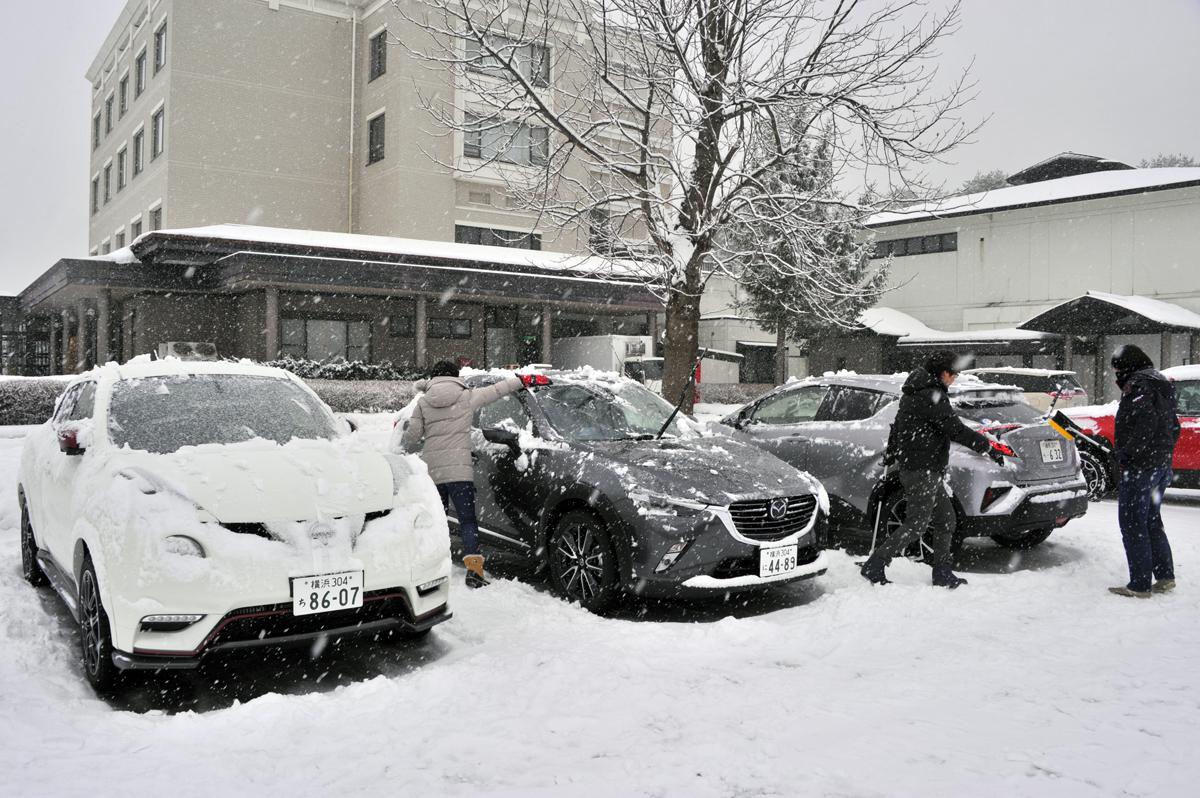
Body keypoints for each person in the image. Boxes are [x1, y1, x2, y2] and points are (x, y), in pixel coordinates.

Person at [861, 351, 1013, 589]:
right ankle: (876, 563)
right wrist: (988, 448)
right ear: (942, 372)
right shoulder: (930, 395)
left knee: (945, 519)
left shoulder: (915, 392)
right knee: (917, 524)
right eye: (953, 373)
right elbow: (955, 429)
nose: (954, 378)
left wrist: (893, 451)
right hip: (922, 469)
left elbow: (898, 425)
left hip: (924, 468)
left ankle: (941, 571)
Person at [401, 361, 550, 588]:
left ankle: (431, 571)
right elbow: (498, 390)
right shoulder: (467, 397)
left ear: (433, 378)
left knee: (436, 523)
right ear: (455, 377)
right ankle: (474, 571)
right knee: (467, 521)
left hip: (432, 472)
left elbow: (412, 436)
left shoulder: (422, 402)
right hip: (460, 470)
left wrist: (424, 431)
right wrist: (522, 380)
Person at [1108, 345, 1180, 599]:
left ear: (1127, 365)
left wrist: (1126, 454)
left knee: (1132, 523)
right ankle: (1165, 576)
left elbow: (1143, 425)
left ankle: (1140, 585)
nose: (1117, 374)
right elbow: (1174, 426)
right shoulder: (1160, 381)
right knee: (1151, 520)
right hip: (1161, 465)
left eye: (1118, 368)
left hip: (1141, 469)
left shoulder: (1138, 385)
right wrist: (1164, 453)